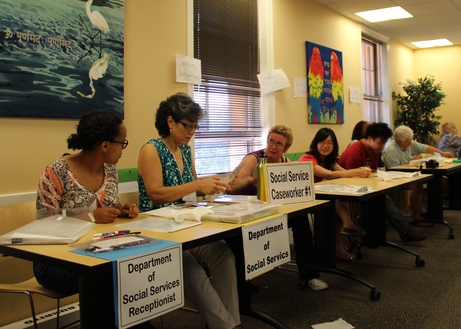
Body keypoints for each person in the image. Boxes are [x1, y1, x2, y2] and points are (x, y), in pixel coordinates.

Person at [137, 93, 240, 329]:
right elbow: (156, 194)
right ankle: (225, 325)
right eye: (188, 126)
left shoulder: (184, 150)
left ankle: (229, 320)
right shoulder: (151, 149)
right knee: (190, 269)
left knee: (223, 254)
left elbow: (192, 188)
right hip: (159, 231)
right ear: (170, 122)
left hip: (185, 224)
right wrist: (197, 185)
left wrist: (215, 185)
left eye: (195, 126)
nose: (192, 131)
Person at [34, 110, 139, 295]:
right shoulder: (57, 172)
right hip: (53, 260)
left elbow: (110, 204)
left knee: (134, 265)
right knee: (109, 276)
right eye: (122, 143)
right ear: (105, 145)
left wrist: (121, 210)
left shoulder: (110, 169)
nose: (123, 149)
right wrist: (91, 217)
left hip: (98, 251)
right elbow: (44, 224)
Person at [229, 125, 329, 291]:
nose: (273, 147)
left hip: (269, 211)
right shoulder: (254, 159)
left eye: (279, 144)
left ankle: (310, 275)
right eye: (271, 141)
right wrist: (252, 180)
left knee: (300, 219)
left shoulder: (285, 162)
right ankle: (241, 284)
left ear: (286, 148)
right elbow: (233, 186)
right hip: (246, 211)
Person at [338, 122, 427, 242]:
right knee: (383, 199)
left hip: (366, 188)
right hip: (348, 190)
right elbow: (348, 177)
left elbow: (374, 172)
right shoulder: (355, 151)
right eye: (380, 142)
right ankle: (405, 232)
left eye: (384, 143)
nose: (382, 146)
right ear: (370, 139)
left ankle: (401, 233)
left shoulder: (374, 151)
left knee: (382, 197)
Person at [299, 127, 372, 262]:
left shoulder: (328, 160)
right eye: (322, 142)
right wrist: (357, 171)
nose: (326, 146)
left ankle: (339, 246)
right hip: (303, 198)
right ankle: (347, 225)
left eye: (330, 143)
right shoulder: (307, 158)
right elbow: (330, 175)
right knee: (336, 196)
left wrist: (362, 174)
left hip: (322, 197)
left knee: (338, 194)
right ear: (316, 143)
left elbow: (343, 173)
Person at [382, 125, 454, 223]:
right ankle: (416, 217)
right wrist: (411, 162)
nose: (411, 143)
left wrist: (443, 153)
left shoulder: (409, 143)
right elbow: (394, 170)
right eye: (408, 141)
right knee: (418, 183)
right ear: (399, 141)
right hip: (397, 177)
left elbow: (426, 148)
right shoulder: (391, 151)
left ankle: (426, 211)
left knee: (431, 180)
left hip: (410, 174)